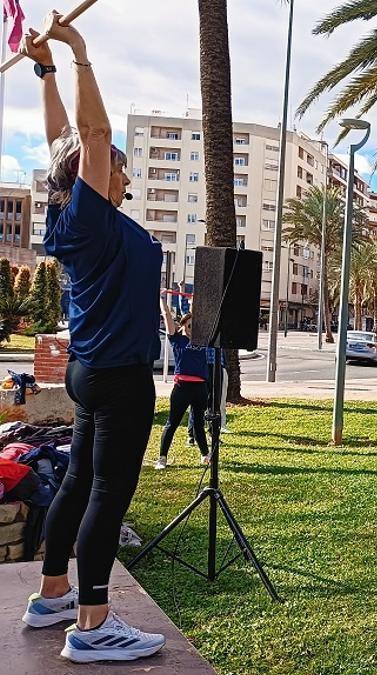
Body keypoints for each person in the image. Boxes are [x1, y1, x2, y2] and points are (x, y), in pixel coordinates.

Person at [19, 14, 167, 661]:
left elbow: (63, 140)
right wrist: (79, 55)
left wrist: (45, 68)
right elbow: (93, 135)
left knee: (79, 479)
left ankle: (52, 593)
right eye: (112, 164)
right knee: (106, 490)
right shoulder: (94, 219)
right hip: (117, 374)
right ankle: (93, 621)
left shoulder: (71, 216)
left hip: (90, 368)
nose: (118, 165)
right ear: (96, 175)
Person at [154, 295, 212, 470]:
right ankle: (162, 458)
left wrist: (196, 301)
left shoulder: (202, 341)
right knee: (172, 423)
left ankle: (205, 455)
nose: (192, 328)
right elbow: (166, 315)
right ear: (182, 326)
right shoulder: (177, 339)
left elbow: (200, 314)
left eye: (194, 325)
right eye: (188, 325)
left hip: (200, 387)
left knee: (199, 425)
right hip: (182, 387)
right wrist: (162, 298)